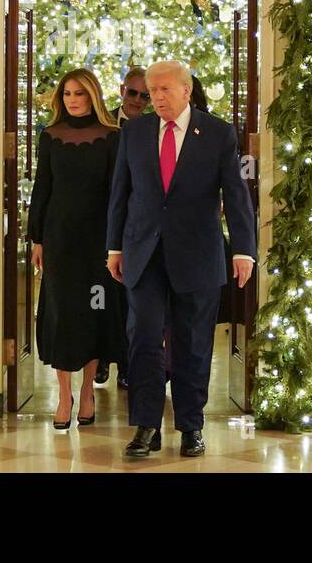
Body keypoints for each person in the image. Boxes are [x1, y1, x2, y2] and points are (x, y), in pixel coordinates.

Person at [106, 60, 256, 458]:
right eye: (151, 91)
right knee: (143, 339)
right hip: (144, 253)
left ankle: (191, 425)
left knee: (192, 343)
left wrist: (244, 249)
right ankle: (146, 425)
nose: (156, 97)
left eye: (164, 90)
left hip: (198, 254)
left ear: (186, 91)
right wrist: (114, 248)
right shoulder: (134, 132)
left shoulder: (219, 133)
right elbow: (121, 192)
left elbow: (236, 194)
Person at [27, 68, 122, 429]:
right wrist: (37, 238)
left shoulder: (112, 137)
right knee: (62, 313)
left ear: (92, 96)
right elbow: (42, 189)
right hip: (59, 239)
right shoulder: (49, 136)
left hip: (98, 241)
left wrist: (117, 245)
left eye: (79, 94)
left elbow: (118, 193)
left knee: (94, 309)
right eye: (67, 94)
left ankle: (87, 392)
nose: (72, 100)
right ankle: (64, 393)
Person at [98, 66, 149, 389]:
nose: (138, 100)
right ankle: (103, 358)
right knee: (102, 297)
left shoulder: (152, 127)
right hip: (103, 221)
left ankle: (130, 364)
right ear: (121, 90)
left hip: (138, 225)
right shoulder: (103, 123)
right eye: (133, 93)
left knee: (134, 299)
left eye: (145, 96)